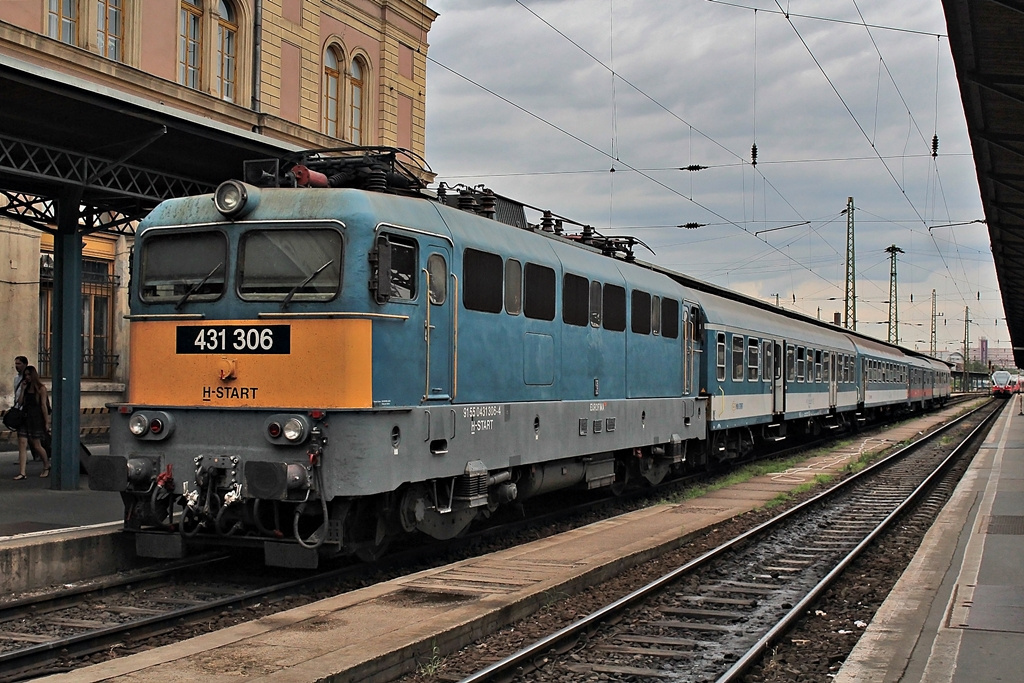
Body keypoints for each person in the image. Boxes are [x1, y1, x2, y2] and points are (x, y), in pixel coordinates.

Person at [12, 365, 50, 480]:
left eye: (29, 375)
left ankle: (46, 465)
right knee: (22, 444)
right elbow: (20, 402)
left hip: (36, 418)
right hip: (25, 417)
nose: (27, 377)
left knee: (36, 445)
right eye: (25, 375)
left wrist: (46, 422)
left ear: (33, 375)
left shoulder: (41, 388)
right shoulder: (25, 387)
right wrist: (23, 390)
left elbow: (44, 406)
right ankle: (22, 472)